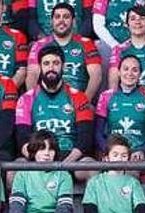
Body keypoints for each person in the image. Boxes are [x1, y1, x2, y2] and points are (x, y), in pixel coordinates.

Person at [16, 45, 95, 179]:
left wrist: (65, 164)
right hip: (38, 156)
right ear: (40, 67)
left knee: (91, 167)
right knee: (14, 172)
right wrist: (37, 160)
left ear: (63, 67)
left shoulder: (79, 97)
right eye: (46, 63)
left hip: (70, 157)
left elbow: (85, 138)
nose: (51, 68)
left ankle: (89, 201)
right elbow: (22, 137)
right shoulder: (27, 98)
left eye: (56, 63)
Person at [27, 3, 101, 99]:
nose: (61, 21)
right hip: (47, 101)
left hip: (78, 100)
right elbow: (32, 75)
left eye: (66, 17)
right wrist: (35, 101)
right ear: (51, 21)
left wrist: (84, 103)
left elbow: (96, 76)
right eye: (57, 17)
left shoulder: (87, 44)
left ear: (73, 21)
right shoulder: (39, 45)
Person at [95, 54, 145, 160]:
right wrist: (108, 151)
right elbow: (98, 132)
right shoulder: (106, 96)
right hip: (114, 155)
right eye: (125, 69)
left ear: (140, 74)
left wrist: (142, 151)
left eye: (135, 70)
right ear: (119, 72)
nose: (130, 73)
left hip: (138, 156)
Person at [107, 5, 145, 101]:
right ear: (127, 24)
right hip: (126, 102)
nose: (137, 22)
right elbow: (113, 82)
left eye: (142, 18)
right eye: (133, 19)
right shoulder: (118, 50)